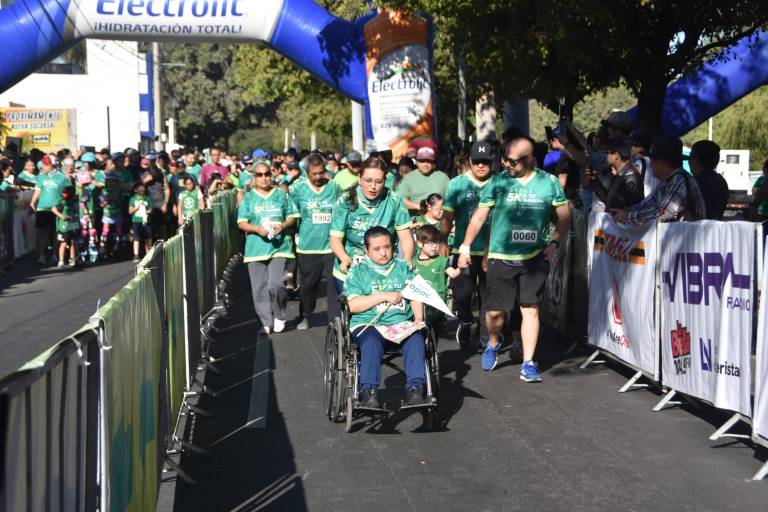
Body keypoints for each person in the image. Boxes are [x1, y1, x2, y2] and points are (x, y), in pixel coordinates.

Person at [458, 137, 571, 382]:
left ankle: (529, 363)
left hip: (534, 257)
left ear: (529, 159)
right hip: (501, 255)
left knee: (530, 309)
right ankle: (494, 341)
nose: (507, 164)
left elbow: (564, 216)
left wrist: (554, 242)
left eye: (513, 161)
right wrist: (465, 247)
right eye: (505, 159)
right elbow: (479, 218)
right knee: (495, 313)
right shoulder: (497, 182)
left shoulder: (548, 182)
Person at [344, 227, 427, 408]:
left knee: (416, 338)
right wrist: (383, 296)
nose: (383, 252)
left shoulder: (403, 268)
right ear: (366, 249)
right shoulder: (357, 271)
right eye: (377, 248)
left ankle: (415, 389)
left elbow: (416, 294)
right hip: (369, 324)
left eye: (387, 247)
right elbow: (352, 305)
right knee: (371, 341)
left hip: (400, 323)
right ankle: (369, 392)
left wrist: (418, 319)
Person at [329, 157, 414, 292]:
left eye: (379, 182)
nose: (373, 187)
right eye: (368, 181)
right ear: (359, 179)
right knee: (356, 311)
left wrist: (407, 261)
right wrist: (344, 258)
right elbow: (335, 238)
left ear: (385, 181)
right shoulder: (345, 201)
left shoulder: (394, 200)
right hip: (351, 268)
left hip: (386, 271)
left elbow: (406, 237)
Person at [441, 141, 493, 347]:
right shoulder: (457, 183)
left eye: (486, 162)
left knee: (487, 298)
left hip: (492, 250)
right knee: (461, 294)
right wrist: (443, 239)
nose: (481, 166)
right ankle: (465, 320)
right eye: (477, 161)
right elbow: (447, 215)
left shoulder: (498, 183)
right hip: (463, 249)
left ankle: (484, 338)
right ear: (470, 161)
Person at [238, 162, 299, 334]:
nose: (264, 178)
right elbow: (241, 222)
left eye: (266, 174)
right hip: (255, 249)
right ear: (253, 177)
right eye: (259, 175)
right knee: (259, 288)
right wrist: (257, 229)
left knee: (276, 284)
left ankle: (279, 314)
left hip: (279, 247)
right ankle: (265, 321)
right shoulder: (248, 197)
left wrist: (283, 225)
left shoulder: (280, 194)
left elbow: (292, 216)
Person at [290, 154, 341, 330]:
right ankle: (305, 315)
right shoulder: (298, 189)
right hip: (308, 247)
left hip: (331, 245)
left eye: (321, 173)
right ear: (306, 173)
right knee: (308, 286)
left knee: (334, 286)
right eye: (314, 174)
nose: (319, 177)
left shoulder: (334, 187)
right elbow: (292, 213)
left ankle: (335, 320)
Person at [611, 136, 706, 224]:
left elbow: (664, 213)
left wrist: (628, 216)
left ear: (661, 163)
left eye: (652, 159)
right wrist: (625, 212)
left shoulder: (679, 180)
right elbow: (647, 204)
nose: (650, 163)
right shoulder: (668, 181)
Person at [413, 225, 461, 335]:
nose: (434, 246)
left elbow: (453, 274)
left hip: (437, 307)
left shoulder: (441, 260)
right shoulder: (413, 262)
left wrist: (461, 268)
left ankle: (433, 351)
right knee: (419, 336)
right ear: (420, 243)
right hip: (418, 309)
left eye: (436, 243)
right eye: (430, 243)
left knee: (434, 335)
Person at [30, 155, 70, 265]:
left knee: (55, 233)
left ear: (51, 165)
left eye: (45, 164)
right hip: (43, 208)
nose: (43, 166)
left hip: (57, 210)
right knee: (42, 233)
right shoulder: (41, 177)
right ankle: (42, 256)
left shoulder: (62, 177)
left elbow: (68, 193)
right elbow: (38, 190)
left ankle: (54, 254)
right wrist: (32, 202)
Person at [586, 138, 644, 210]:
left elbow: (635, 210)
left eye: (608, 152)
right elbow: (610, 201)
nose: (606, 155)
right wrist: (595, 181)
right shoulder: (620, 175)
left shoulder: (629, 179)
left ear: (616, 156)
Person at [396, 146, 450, 212]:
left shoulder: (442, 177)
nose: (425, 164)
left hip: (439, 218)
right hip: (417, 219)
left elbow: (452, 198)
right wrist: (418, 206)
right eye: (422, 161)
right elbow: (401, 199)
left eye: (428, 161)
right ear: (417, 162)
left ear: (433, 163)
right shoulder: (408, 178)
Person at [690, 140, 729, 220]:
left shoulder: (692, 183)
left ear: (696, 160)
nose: (688, 162)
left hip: (694, 230)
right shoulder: (721, 181)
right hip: (716, 230)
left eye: (689, 158)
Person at [51, 185, 80, 268]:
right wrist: (61, 216)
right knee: (63, 243)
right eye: (63, 193)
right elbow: (53, 209)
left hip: (73, 224)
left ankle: (72, 259)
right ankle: (61, 261)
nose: (64, 194)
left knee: (72, 242)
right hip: (64, 226)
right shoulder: (62, 202)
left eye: (66, 193)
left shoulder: (74, 201)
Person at [627, 128, 659, 197]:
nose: (631, 148)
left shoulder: (639, 164)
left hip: (642, 204)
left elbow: (628, 185)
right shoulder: (655, 162)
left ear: (640, 147)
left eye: (632, 145)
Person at [100, 174, 124, 258]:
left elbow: (121, 203)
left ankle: (118, 246)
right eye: (109, 181)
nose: (111, 183)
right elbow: (101, 204)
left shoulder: (119, 191)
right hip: (107, 214)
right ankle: (103, 246)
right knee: (106, 230)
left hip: (117, 213)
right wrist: (107, 200)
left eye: (113, 181)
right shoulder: (104, 191)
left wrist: (116, 200)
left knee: (118, 230)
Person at [128, 182, 153, 262]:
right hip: (136, 220)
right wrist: (137, 206)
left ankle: (149, 254)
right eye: (140, 188)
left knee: (148, 237)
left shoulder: (147, 198)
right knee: (136, 238)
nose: (142, 189)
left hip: (145, 220)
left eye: (143, 188)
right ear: (136, 190)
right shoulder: (133, 199)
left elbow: (151, 209)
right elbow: (130, 211)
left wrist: (147, 211)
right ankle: (136, 254)